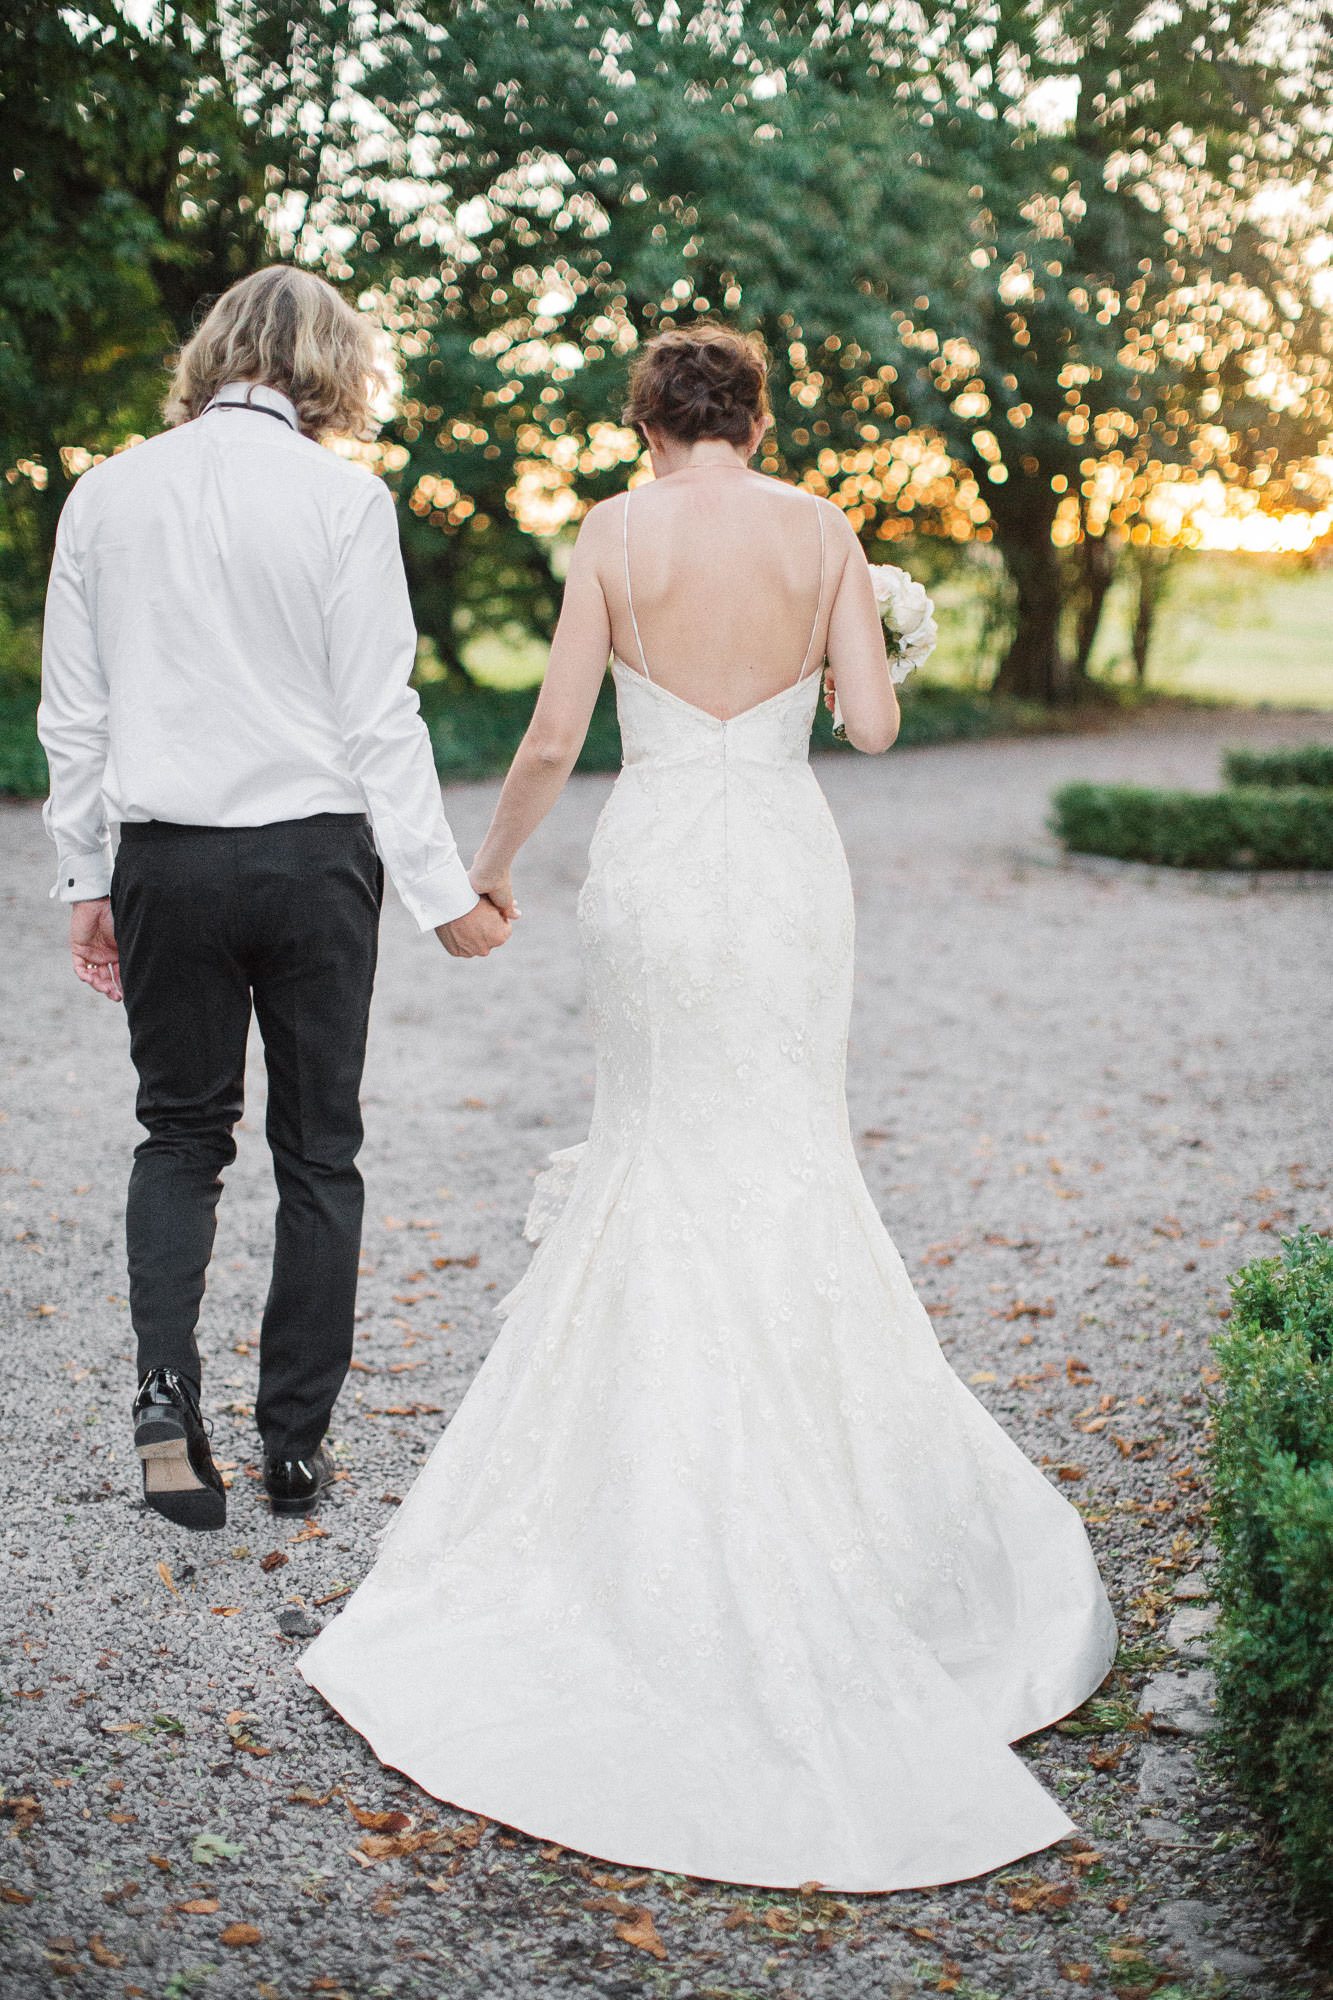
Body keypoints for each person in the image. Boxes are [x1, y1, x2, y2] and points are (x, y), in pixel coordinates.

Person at [300, 324, 1118, 1893]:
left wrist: (492, 865)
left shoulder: (613, 532)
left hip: (664, 867)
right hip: (790, 875)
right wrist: (855, 632)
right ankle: (868, 1525)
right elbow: (872, 732)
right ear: (753, 412)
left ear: (647, 423)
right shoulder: (822, 530)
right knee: (791, 1155)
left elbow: (552, 734)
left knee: (659, 1151)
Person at [37, 266, 510, 1534]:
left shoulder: (106, 493)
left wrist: (87, 877)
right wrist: (439, 890)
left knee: (179, 1137)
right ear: (332, 371)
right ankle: (294, 1444)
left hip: (167, 861)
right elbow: (379, 716)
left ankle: (162, 1392)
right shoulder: (344, 502)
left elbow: (72, 714)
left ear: (214, 353)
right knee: (320, 1151)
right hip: (313, 863)